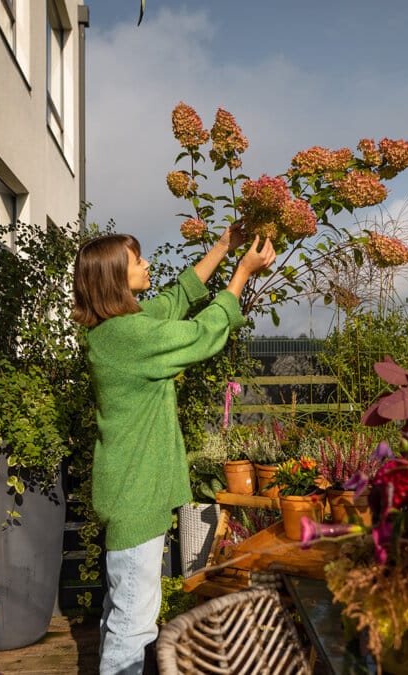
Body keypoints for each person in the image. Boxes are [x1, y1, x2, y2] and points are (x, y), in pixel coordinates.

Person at [72, 225, 276, 675]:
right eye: (137, 260)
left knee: (121, 608)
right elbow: (202, 333)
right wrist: (242, 273)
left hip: (128, 490)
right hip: (136, 494)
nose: (146, 264)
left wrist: (223, 246)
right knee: (133, 623)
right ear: (114, 279)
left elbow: (176, 298)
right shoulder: (129, 337)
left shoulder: (116, 330)